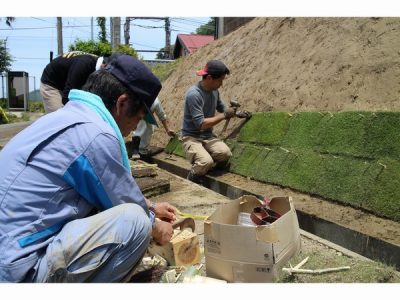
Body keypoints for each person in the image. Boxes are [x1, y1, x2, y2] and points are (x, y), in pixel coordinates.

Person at [0, 54, 176, 283]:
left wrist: (151, 205)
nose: (135, 127)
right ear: (122, 103)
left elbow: (109, 188)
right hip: (19, 270)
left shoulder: (65, 118)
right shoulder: (97, 135)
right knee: (136, 223)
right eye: (139, 118)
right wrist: (155, 224)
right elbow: (125, 203)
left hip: (10, 251)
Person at [181, 60, 237, 184]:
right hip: (191, 137)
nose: (221, 84)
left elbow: (222, 108)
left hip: (207, 136)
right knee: (205, 161)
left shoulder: (214, 91)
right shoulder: (194, 94)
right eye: (220, 80)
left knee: (225, 154)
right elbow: (201, 124)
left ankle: (207, 173)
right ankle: (191, 181)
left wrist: (235, 113)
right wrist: (224, 115)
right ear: (210, 78)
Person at [40, 52, 108, 113]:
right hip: (52, 83)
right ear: (104, 66)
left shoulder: (98, 66)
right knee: (61, 118)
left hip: (66, 81)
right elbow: (67, 97)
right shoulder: (83, 65)